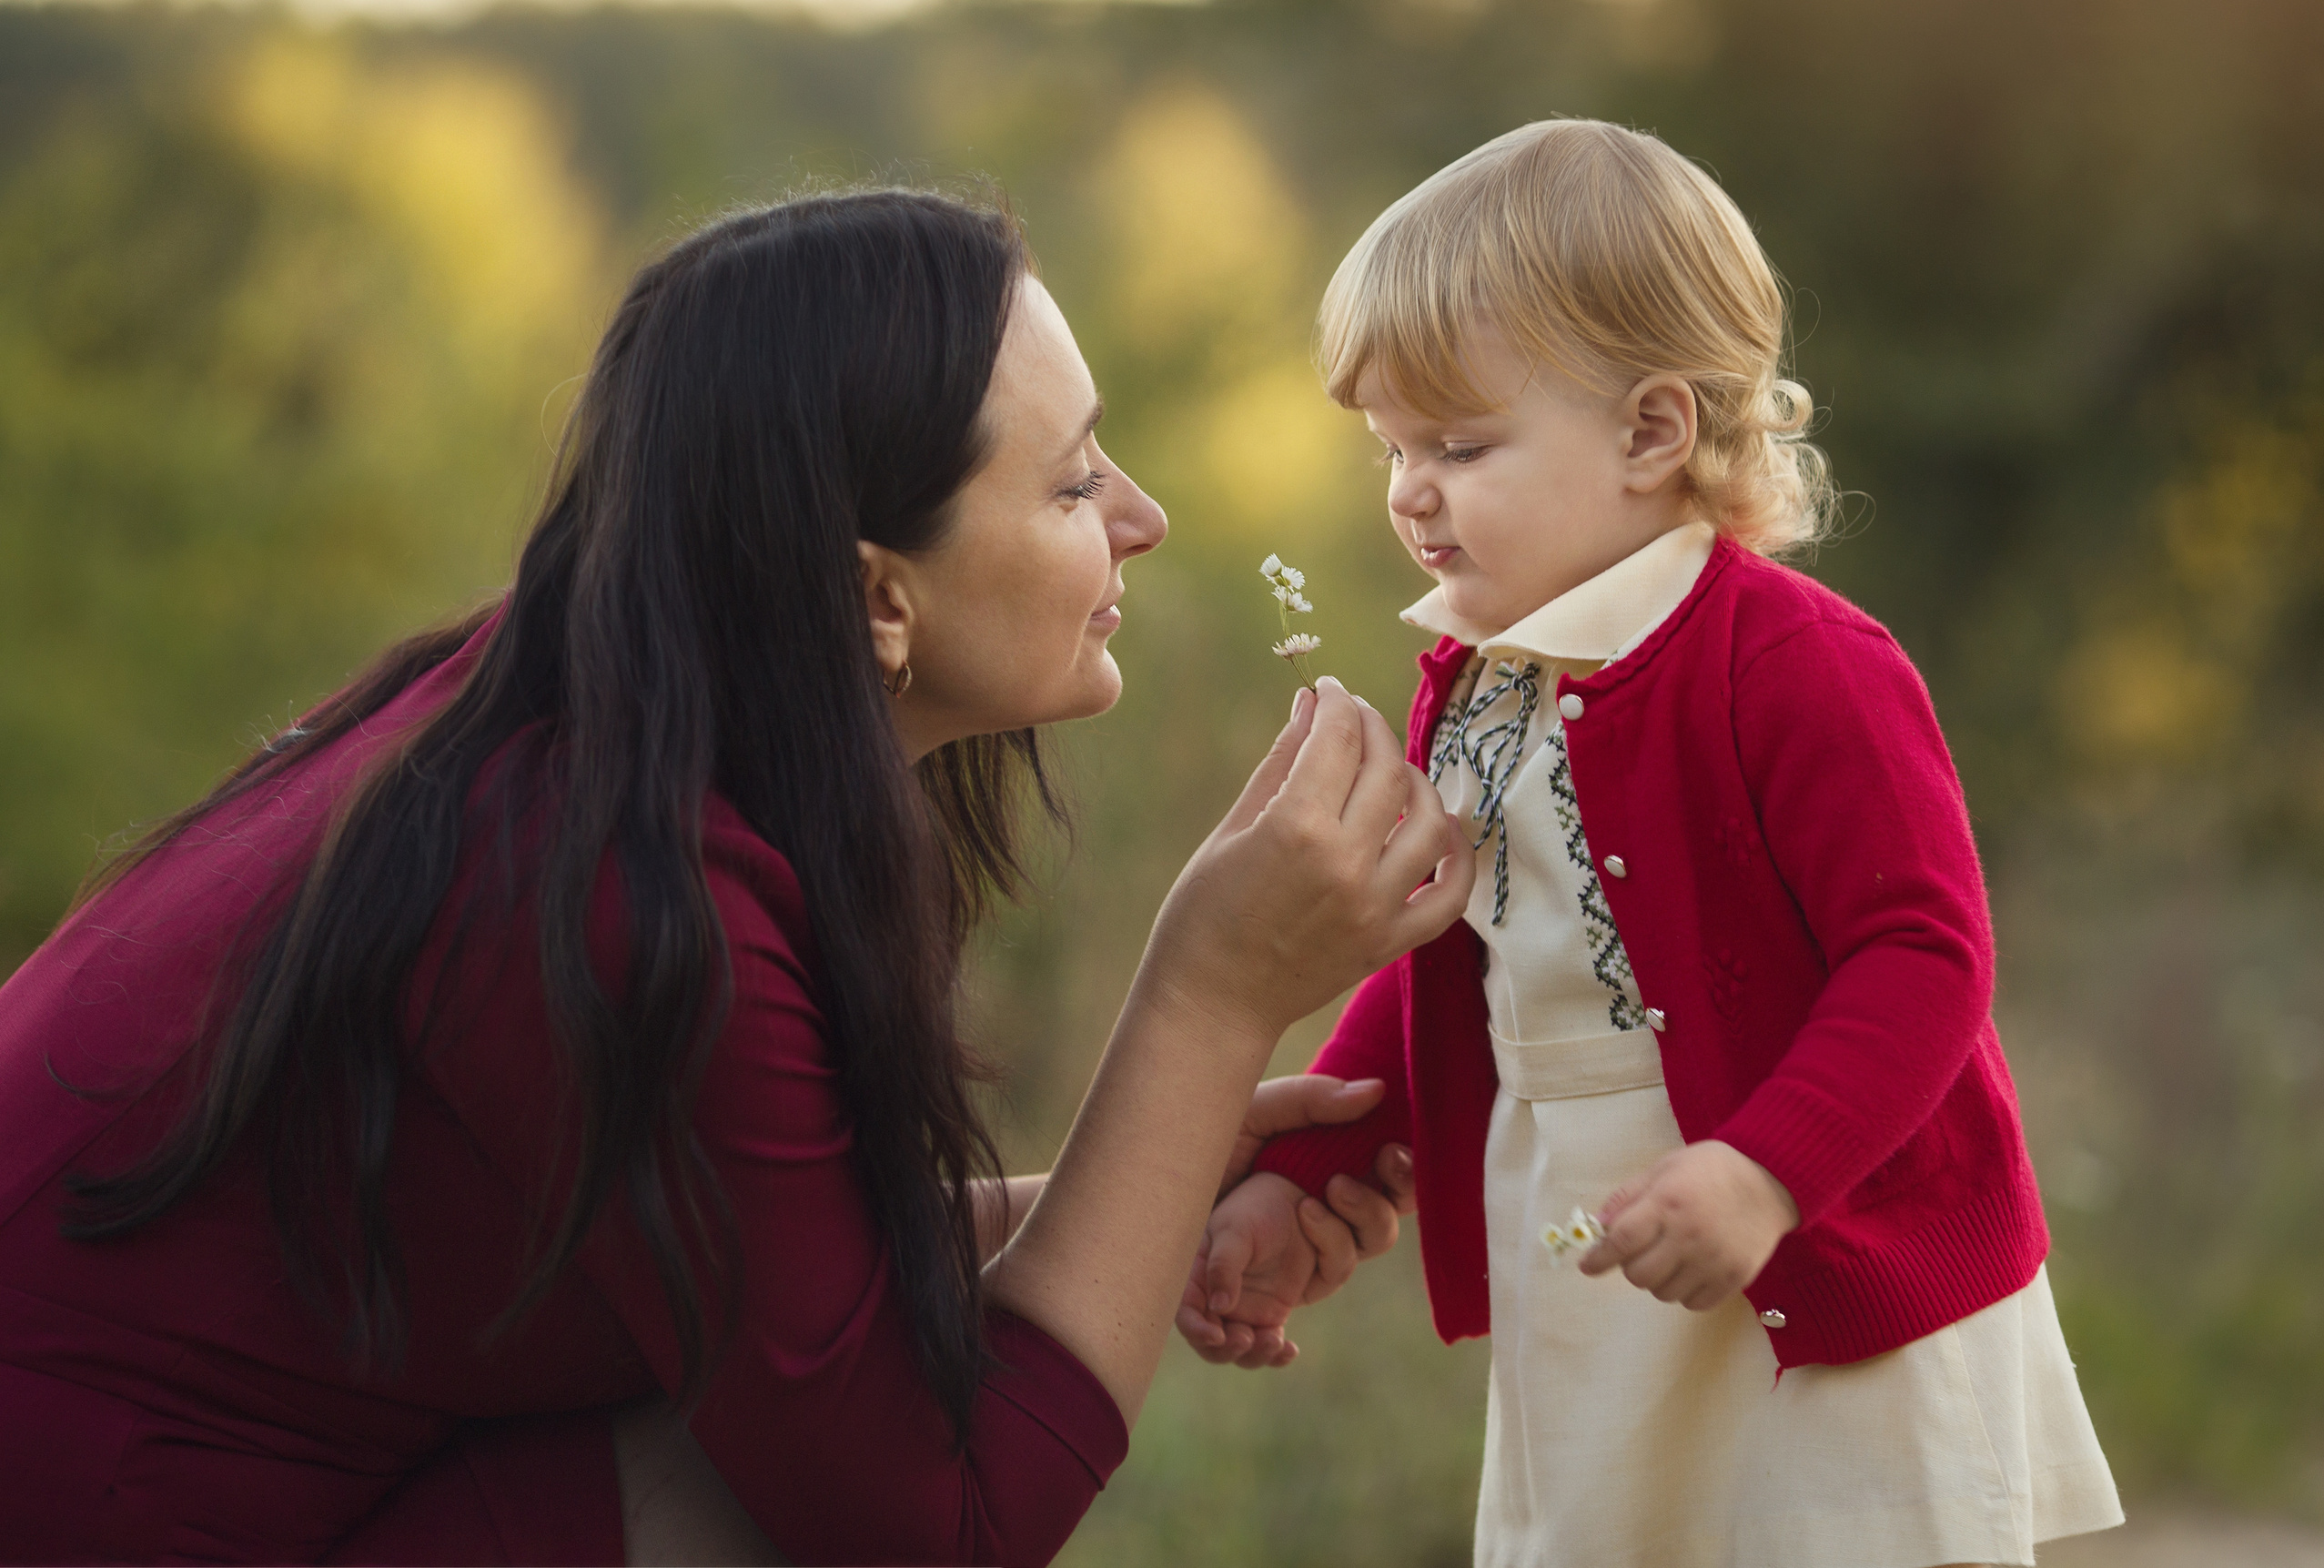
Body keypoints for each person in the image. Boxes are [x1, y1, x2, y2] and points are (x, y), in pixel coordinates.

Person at [0, 188, 1470, 1565]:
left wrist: (1152, 1180)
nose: (1141, 518)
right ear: (873, 596)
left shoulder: (595, 720)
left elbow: (760, 1261)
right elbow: (936, 1521)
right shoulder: (613, 886)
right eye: (1076, 481)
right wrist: (1209, 1003)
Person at [1177, 119, 2127, 1568]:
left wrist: (1765, 1174)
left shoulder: (1797, 661)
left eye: (1460, 445)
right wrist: (1310, 1169)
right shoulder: (1484, 683)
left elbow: (1924, 956)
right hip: (1600, 1263)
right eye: (1392, 450)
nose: (1410, 492)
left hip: (1823, 1262)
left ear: (1650, 431)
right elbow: (1465, 969)